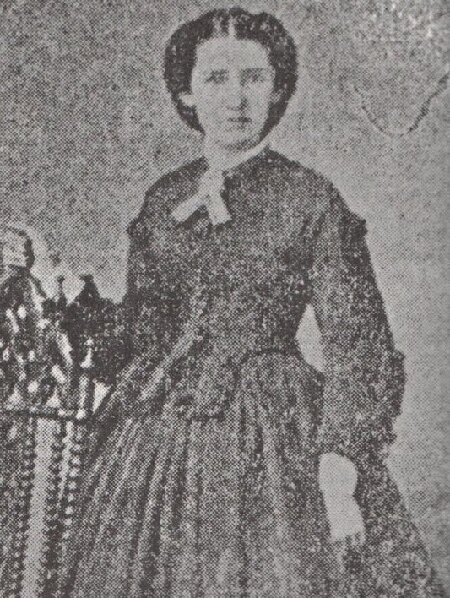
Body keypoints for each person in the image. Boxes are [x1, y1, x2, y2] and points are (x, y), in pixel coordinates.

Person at [1, 7, 444, 597]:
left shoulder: (309, 199)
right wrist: (51, 276)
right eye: (216, 79)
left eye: (253, 78)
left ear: (278, 88)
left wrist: (340, 466)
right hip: (155, 442)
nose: (236, 98)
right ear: (187, 93)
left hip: (271, 443)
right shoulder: (164, 201)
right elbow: (138, 336)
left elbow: (358, 346)